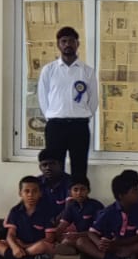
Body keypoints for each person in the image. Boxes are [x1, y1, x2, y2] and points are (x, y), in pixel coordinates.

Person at [36, 25, 97, 185]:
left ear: (77, 44)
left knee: (79, 168)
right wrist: (55, 115)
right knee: (55, 169)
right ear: (58, 44)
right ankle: (57, 198)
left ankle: (78, 199)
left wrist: (80, 114)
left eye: (71, 41)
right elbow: (43, 98)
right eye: (64, 41)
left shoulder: (87, 71)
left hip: (79, 126)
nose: (67, 44)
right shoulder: (49, 70)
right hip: (56, 126)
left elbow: (93, 101)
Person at [74, 172, 138, 259]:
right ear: (121, 195)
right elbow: (92, 233)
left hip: (126, 247)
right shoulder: (107, 212)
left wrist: (116, 244)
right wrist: (99, 243)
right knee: (81, 241)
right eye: (135, 191)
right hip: (109, 247)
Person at [0, 177, 56, 259]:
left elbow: (50, 238)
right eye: (26, 191)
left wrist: (26, 246)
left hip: (35, 246)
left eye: (35, 191)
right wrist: (14, 247)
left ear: (40, 193)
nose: (30, 194)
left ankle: (9, 257)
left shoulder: (47, 211)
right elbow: (10, 234)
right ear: (20, 193)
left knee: (44, 246)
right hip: (19, 245)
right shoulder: (15, 211)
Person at [51, 177, 102, 255]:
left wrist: (76, 235)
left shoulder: (95, 205)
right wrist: (54, 237)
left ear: (88, 190)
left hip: (96, 239)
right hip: (79, 237)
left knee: (80, 242)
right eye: (75, 190)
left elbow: (97, 232)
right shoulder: (71, 206)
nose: (79, 193)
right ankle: (82, 251)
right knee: (65, 241)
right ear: (70, 192)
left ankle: (88, 251)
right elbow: (61, 227)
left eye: (83, 189)